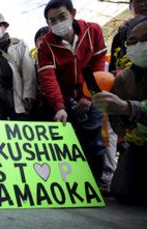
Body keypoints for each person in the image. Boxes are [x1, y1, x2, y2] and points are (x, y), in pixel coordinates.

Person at [37, 0, 107, 182]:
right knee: (67, 142)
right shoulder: (45, 46)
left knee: (94, 142)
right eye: (52, 21)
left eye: (62, 16)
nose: (58, 23)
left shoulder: (93, 31)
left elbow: (98, 65)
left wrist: (88, 95)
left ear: (73, 13)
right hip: (64, 97)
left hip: (91, 94)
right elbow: (49, 78)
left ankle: (95, 183)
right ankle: (69, 183)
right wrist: (59, 106)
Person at [93, 16, 147, 205]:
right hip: (140, 147)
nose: (140, 45)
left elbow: (123, 108)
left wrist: (128, 108)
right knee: (122, 191)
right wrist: (130, 134)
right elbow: (116, 120)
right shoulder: (123, 79)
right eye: (132, 42)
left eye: (145, 39)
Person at [0, 12, 37, 120]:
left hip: (15, 91)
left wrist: (29, 95)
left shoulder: (19, 45)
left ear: (4, 27)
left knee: (20, 126)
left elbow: (29, 72)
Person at [109, 0, 147, 75]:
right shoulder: (120, 36)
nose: (143, 4)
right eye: (138, 1)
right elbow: (113, 68)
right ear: (131, 7)